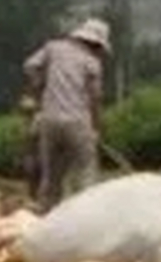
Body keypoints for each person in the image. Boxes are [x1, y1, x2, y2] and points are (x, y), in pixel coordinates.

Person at [22, 18, 110, 210]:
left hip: (50, 120)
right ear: (95, 43)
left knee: (51, 177)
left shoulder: (53, 48)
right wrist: (96, 129)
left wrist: (41, 83)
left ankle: (46, 215)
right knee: (86, 172)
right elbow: (95, 99)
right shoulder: (91, 62)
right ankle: (87, 216)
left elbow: (29, 66)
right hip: (78, 121)